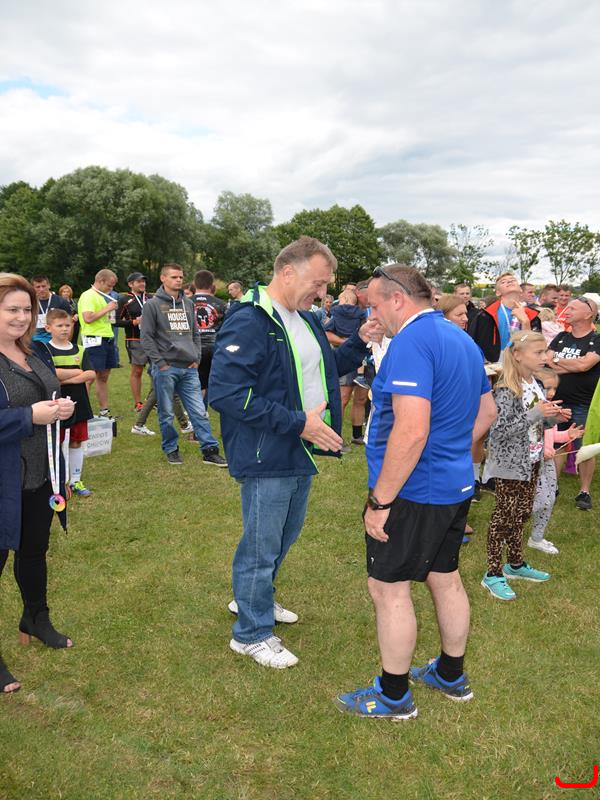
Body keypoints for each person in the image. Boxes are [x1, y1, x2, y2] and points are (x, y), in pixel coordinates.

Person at [209, 236, 381, 669]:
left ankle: (254, 598)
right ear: (288, 272)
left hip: (298, 446)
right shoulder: (250, 320)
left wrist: (359, 341)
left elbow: (323, 369)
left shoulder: (302, 319)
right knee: (262, 543)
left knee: (283, 535)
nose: (322, 294)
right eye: (317, 283)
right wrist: (297, 422)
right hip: (268, 450)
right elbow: (227, 394)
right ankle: (250, 633)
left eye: (326, 286)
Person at [335, 265, 496, 720]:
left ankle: (393, 696)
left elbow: (410, 432)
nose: (373, 315)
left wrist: (380, 501)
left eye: (374, 306)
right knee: (444, 576)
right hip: (452, 483)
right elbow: (486, 412)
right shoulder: (459, 338)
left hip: (414, 490)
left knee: (388, 587)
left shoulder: (412, 341)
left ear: (398, 299)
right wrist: (450, 452)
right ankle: (450, 673)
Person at [0, 273, 76, 694]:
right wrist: (29, 416)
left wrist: (59, 407)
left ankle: (35, 618)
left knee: (33, 552)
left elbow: (46, 392)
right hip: (4, 481)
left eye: (27, 309)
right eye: (11, 308)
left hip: (39, 475)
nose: (21, 316)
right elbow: (24, 412)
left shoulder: (35, 351)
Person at [481, 331, 567, 601]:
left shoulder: (534, 383)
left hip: (532, 460)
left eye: (545, 352)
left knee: (520, 514)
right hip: (510, 466)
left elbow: (535, 421)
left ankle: (515, 564)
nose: (545, 357)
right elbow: (499, 432)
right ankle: (493, 573)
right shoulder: (506, 389)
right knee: (503, 518)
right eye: (538, 353)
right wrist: (537, 413)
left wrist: (552, 417)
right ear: (517, 355)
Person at [140, 263, 227, 466]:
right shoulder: (152, 305)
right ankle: (171, 449)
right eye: (174, 277)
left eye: (180, 277)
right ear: (163, 278)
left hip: (189, 368)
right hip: (166, 368)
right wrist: (160, 363)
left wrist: (196, 358)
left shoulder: (188, 303)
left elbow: (195, 333)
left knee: (199, 411)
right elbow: (146, 337)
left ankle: (210, 450)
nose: (178, 280)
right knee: (166, 413)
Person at [34, 309, 96, 497]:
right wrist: (76, 372)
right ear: (48, 328)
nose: (64, 329)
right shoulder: (45, 351)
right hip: (55, 405)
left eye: (68, 325)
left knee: (76, 441)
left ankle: (76, 480)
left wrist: (63, 379)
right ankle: (59, 480)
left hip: (79, 403)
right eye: (59, 325)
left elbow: (91, 374)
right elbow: (50, 374)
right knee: (57, 442)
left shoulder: (80, 349)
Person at [548, 295, 600, 510]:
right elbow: (546, 362)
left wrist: (557, 362)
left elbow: (584, 366)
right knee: (556, 444)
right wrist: (572, 364)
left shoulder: (597, 339)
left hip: (583, 403)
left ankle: (584, 491)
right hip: (557, 401)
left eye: (572, 308)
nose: (566, 311)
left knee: (584, 448)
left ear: (588, 314)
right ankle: (552, 486)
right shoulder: (561, 337)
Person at [529, 369, 584, 554]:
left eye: (555, 388)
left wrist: (568, 434)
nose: (552, 393)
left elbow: (553, 436)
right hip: (534, 462)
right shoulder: (533, 410)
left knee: (550, 498)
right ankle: (510, 525)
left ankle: (537, 538)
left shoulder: (551, 408)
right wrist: (542, 451)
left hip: (548, 463)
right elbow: (529, 437)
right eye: (548, 388)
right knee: (540, 500)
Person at [468, 272, 540, 363]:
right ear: (498, 293)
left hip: (522, 361)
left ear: (520, 289)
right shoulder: (485, 315)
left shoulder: (532, 315)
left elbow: (535, 346)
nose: (509, 281)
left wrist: (525, 322)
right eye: (503, 282)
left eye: (513, 280)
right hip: (494, 362)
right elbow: (473, 343)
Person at [77, 268, 119, 416]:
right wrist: (108, 308)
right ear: (100, 281)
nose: (111, 289)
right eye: (109, 285)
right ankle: (82, 411)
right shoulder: (88, 295)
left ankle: (104, 411)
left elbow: (106, 319)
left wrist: (111, 312)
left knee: (103, 377)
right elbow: (88, 318)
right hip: (94, 339)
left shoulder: (102, 297)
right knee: (89, 377)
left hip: (107, 338)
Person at [116, 271, 151, 410]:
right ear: (131, 284)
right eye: (139, 281)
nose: (142, 284)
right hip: (135, 339)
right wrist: (133, 322)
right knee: (137, 371)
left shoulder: (151, 298)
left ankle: (152, 400)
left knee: (158, 371)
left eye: (143, 281)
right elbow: (114, 321)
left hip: (154, 340)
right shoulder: (124, 300)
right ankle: (138, 403)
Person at [192, 269, 227, 402]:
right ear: (212, 285)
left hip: (190, 347)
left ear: (194, 284)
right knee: (208, 381)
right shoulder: (222, 305)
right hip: (214, 348)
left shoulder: (184, 303)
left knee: (191, 382)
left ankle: (196, 410)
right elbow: (227, 328)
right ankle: (201, 409)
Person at [30, 275, 72, 343]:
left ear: (49, 285)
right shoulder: (30, 303)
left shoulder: (61, 302)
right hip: (34, 341)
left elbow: (70, 322)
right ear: (33, 288)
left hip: (56, 340)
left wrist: (67, 342)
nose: (41, 289)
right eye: (38, 287)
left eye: (43, 286)